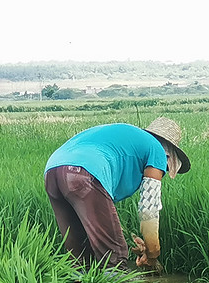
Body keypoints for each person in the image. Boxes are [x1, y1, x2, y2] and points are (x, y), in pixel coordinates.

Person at [44, 117, 190, 272]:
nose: (162, 171)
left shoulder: (130, 139)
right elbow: (149, 209)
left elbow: (101, 219)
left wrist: (133, 240)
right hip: (85, 173)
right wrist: (153, 252)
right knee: (114, 258)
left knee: (79, 256)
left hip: (53, 171)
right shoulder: (157, 151)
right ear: (169, 155)